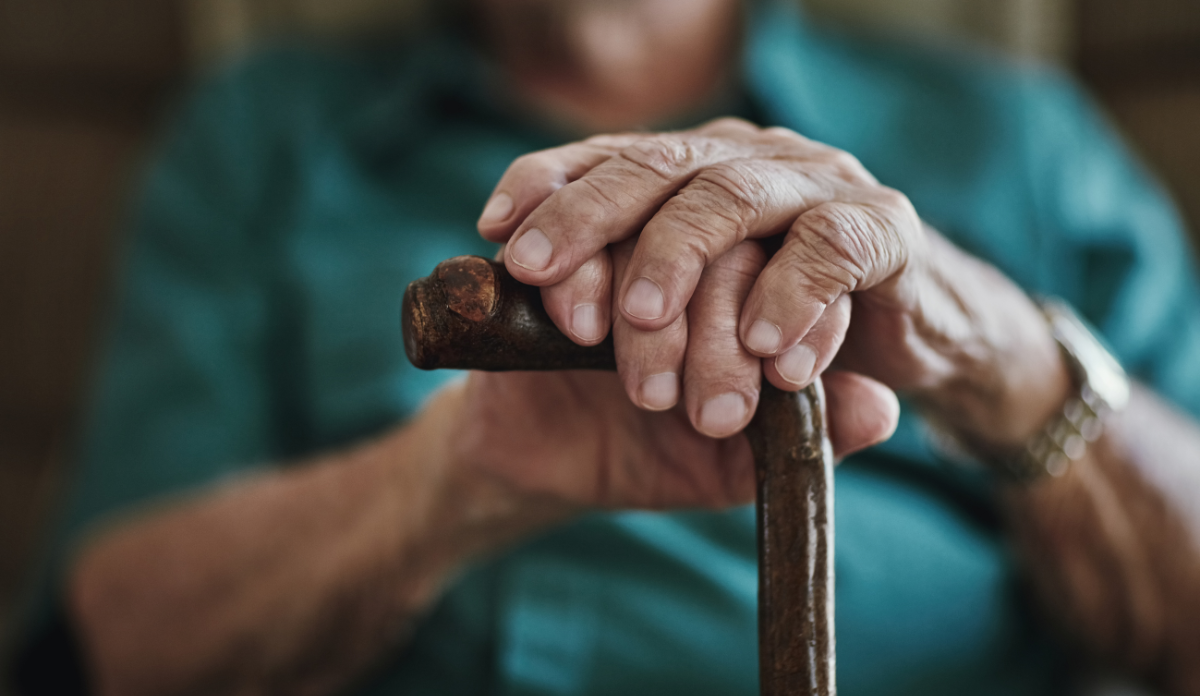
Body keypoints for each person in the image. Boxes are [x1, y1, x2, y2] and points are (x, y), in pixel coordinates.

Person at [10, 0, 1200, 694]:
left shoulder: (1018, 138)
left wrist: (1001, 360)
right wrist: (444, 483)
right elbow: (110, 644)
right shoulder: (260, 134)